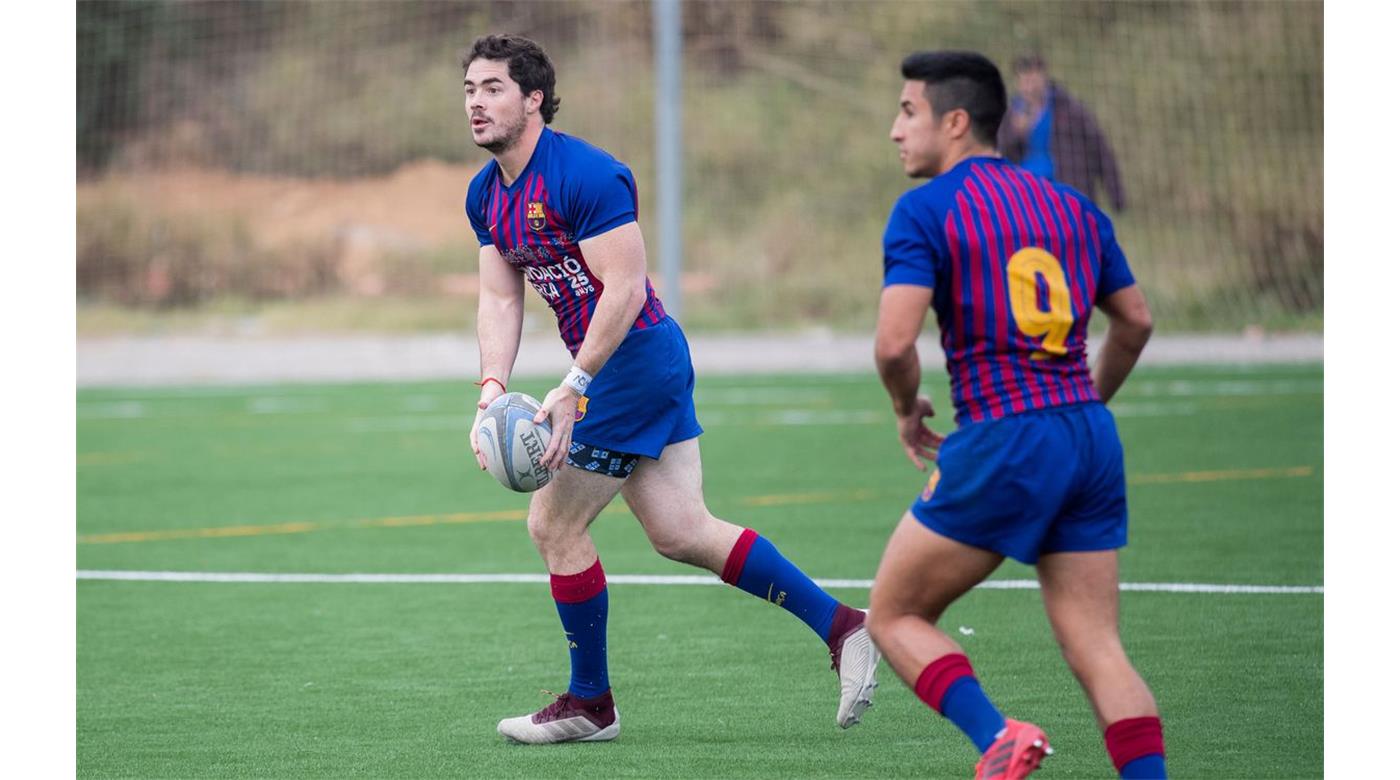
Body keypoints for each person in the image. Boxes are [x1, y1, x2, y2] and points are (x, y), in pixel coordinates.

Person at [461, 34, 880, 744]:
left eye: (493, 88)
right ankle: (847, 628)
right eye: (468, 89)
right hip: (627, 366)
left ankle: (591, 704)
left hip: (633, 362)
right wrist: (491, 390)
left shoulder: (589, 175)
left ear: (534, 99)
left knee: (552, 524)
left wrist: (572, 385)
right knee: (683, 532)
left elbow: (624, 292)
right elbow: (501, 300)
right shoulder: (484, 196)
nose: (475, 102)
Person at [867, 50, 1165, 779]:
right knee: (1099, 648)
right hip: (1089, 436)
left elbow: (894, 342)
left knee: (894, 616)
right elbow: (1134, 322)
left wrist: (908, 411)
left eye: (909, 112)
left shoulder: (925, 210)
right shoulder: (1072, 207)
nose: (896, 130)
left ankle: (997, 737)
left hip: (1006, 435)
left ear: (957, 121)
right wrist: (1087, 401)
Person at [998, 54, 1126, 212]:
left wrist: (1116, 195)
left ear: (1043, 76)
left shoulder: (1070, 110)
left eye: (1032, 79)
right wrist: (1016, 133)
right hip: (1025, 195)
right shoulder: (1010, 116)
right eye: (1024, 80)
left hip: (1065, 192)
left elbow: (1099, 149)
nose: (1029, 86)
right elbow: (999, 155)